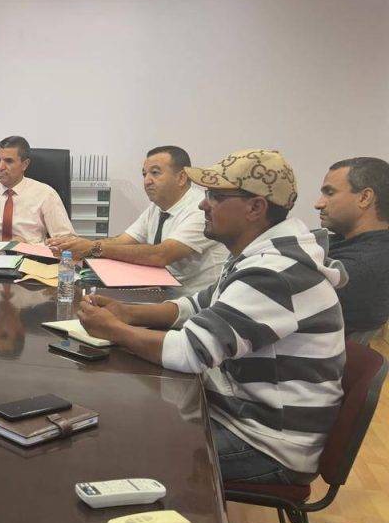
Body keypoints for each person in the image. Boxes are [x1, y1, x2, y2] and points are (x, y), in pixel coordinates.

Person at [76, 149, 346, 486]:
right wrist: (128, 312)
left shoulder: (275, 273)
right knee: (124, 420)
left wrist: (114, 330)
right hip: (240, 414)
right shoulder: (259, 255)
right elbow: (198, 304)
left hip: (266, 443)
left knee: (122, 446)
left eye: (216, 196)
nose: (203, 204)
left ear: (255, 208)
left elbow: (190, 353)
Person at [48, 146, 227, 296]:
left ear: (181, 177)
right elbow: (123, 241)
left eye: (155, 173)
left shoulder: (200, 209)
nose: (147, 181)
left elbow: (160, 255)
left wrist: (93, 248)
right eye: (144, 174)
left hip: (192, 302)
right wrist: (81, 246)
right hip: (159, 291)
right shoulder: (156, 207)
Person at [314, 157, 389, 337]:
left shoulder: (362, 267)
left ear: (364, 198)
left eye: (329, 193)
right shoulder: (344, 241)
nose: (318, 204)